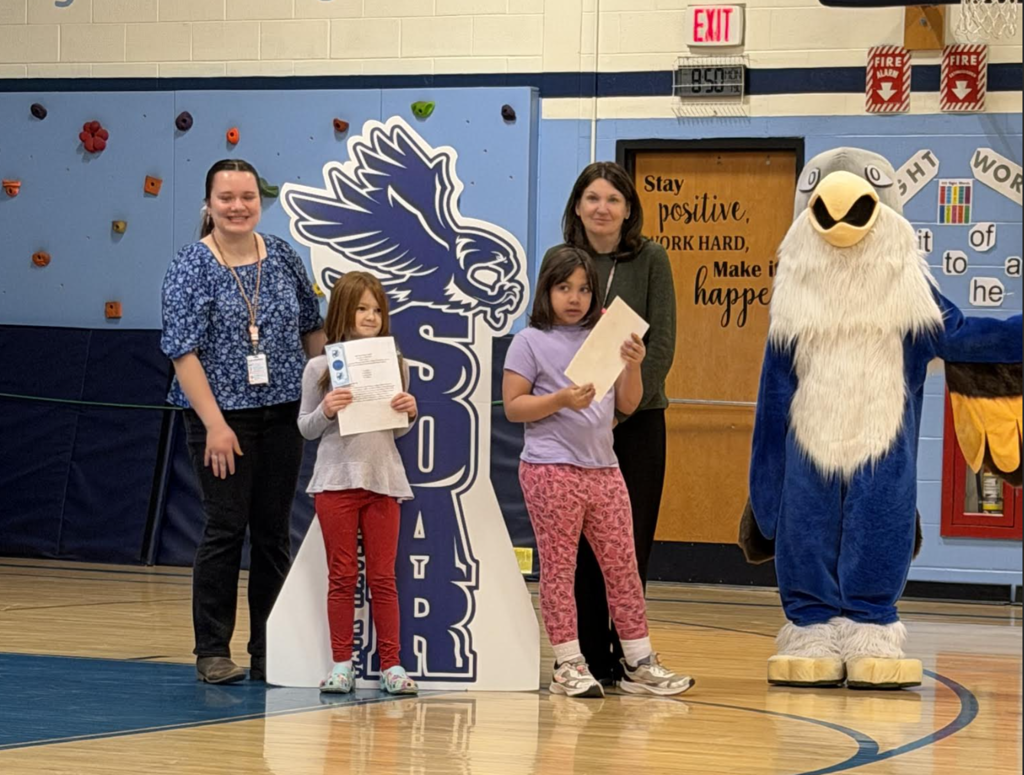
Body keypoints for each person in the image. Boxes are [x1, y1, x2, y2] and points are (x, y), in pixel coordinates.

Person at [161, 158, 325, 684]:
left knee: (274, 533)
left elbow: (311, 330)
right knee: (226, 529)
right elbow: (182, 353)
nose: (238, 207)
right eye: (227, 197)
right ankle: (212, 649)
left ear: (260, 200)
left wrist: (337, 388)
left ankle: (268, 647)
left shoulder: (281, 255)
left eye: (247, 197)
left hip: (282, 414)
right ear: (208, 204)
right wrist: (214, 424)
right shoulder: (190, 266)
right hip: (220, 419)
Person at [503, 246, 693, 699]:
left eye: (584, 288)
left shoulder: (603, 339)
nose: (574, 297)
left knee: (623, 566)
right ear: (546, 290)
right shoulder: (529, 341)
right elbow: (513, 407)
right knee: (560, 569)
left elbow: (628, 403)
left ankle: (639, 661)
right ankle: (568, 663)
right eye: (564, 287)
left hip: (605, 470)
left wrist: (632, 363)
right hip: (551, 470)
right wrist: (560, 400)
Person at [543, 161, 677, 686]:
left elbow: (661, 344)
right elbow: (544, 337)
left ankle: (633, 657)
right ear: (577, 205)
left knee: (627, 545)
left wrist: (617, 412)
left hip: (636, 423)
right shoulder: (563, 262)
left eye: (614, 200)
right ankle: (589, 658)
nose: (602, 208)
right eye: (593, 198)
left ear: (628, 210)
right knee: (576, 551)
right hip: (570, 430)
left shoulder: (652, 260)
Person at [298, 272, 420, 696]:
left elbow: (396, 431)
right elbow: (306, 428)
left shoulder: (395, 363)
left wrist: (409, 411)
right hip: (336, 482)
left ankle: (392, 665)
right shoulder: (319, 366)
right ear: (343, 312)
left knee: (383, 578)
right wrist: (327, 409)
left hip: (383, 480)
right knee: (342, 575)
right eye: (362, 308)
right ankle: (341, 664)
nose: (370, 317)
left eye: (377, 309)